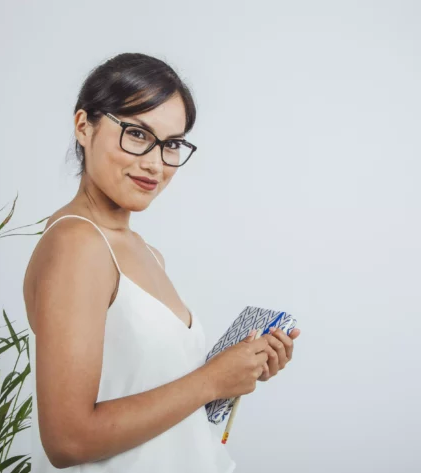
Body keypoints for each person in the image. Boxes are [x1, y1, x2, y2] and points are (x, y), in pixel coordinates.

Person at [22, 52, 301, 472]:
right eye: (137, 134)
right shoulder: (77, 244)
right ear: (84, 126)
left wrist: (237, 371)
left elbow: (151, 394)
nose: (155, 163)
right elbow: (68, 439)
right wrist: (210, 380)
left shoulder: (146, 252)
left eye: (171, 144)